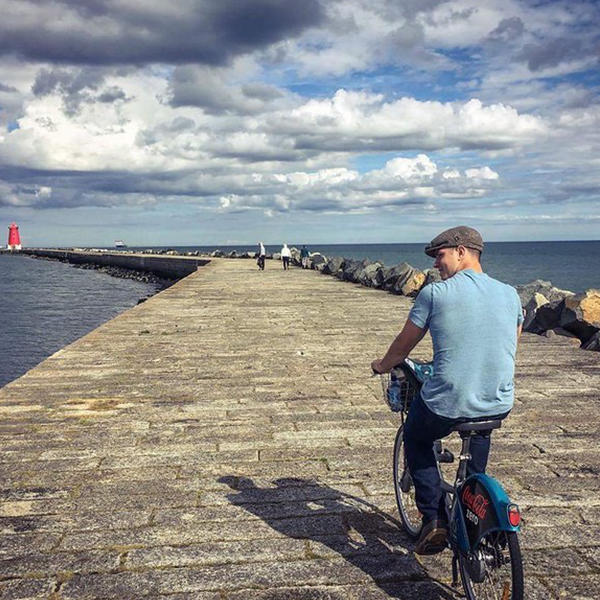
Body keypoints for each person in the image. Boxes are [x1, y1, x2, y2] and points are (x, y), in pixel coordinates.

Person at [371, 226, 523, 555]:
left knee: (416, 435)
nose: (435, 265)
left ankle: (434, 520)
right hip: (498, 400)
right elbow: (510, 345)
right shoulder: (510, 294)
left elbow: (404, 344)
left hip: (450, 400)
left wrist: (382, 365)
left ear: (461, 251)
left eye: (439, 256)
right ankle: (473, 499)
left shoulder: (435, 295)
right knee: (479, 430)